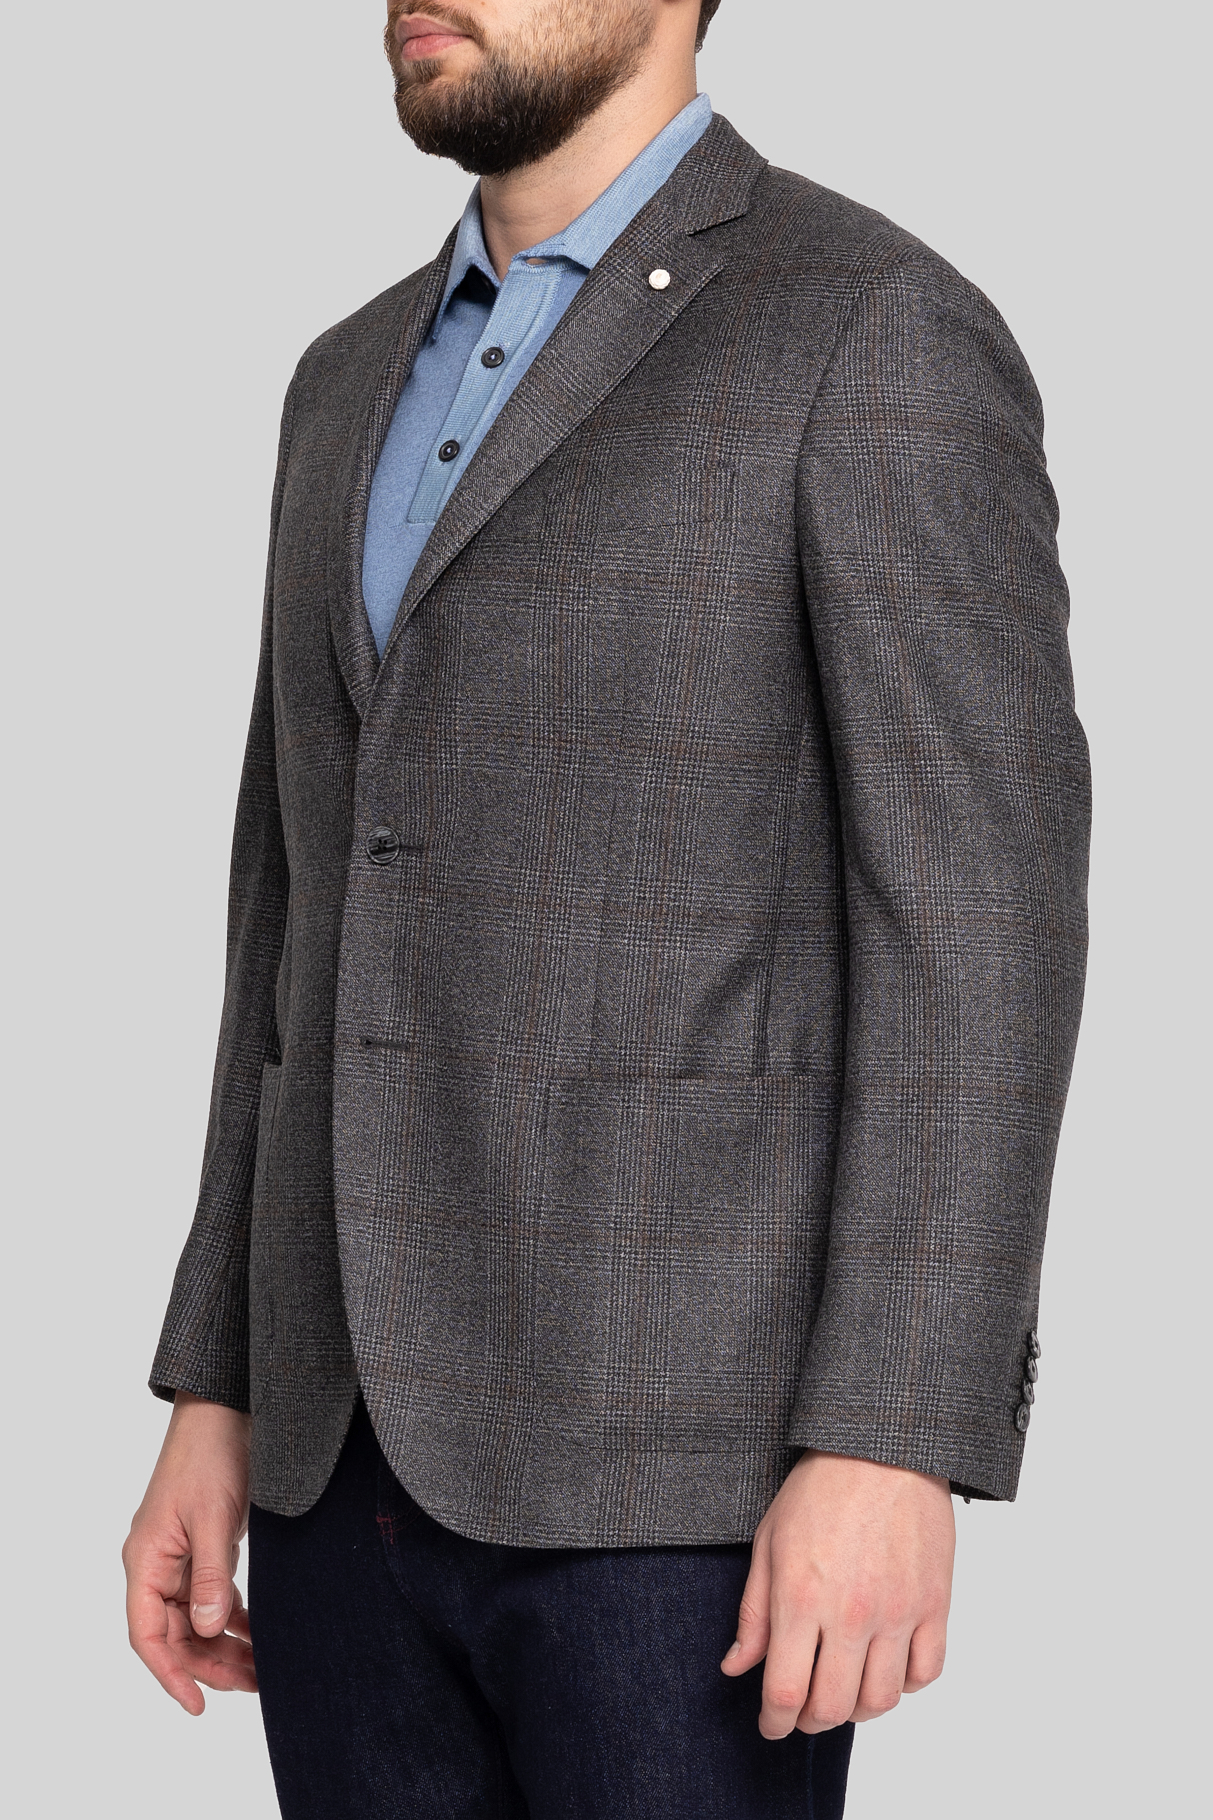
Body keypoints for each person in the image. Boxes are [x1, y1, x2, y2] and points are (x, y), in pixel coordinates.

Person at [122, 3, 1091, 1815]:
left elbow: (976, 926)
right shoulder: (341, 378)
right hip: (330, 1468)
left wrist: (893, 1433)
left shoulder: (867, 327)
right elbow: (289, 912)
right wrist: (219, 1383)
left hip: (682, 1482)